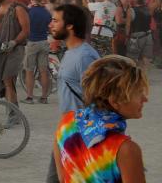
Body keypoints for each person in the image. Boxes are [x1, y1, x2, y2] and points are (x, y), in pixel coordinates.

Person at [53, 55, 147, 183]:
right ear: (115, 101)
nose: (145, 99)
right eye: (139, 93)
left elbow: (62, 177)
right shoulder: (126, 150)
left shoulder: (66, 122)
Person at [45, 2, 101, 182]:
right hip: (68, 130)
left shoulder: (85, 56)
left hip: (81, 134)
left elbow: (98, 98)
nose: (50, 24)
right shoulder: (71, 53)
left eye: (55, 21)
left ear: (69, 25)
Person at [23, 0, 53, 104]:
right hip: (44, 42)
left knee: (29, 71)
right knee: (43, 71)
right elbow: (49, 26)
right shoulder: (46, 12)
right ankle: (44, 97)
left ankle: (29, 97)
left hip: (32, 42)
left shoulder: (29, 11)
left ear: (32, 0)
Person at [126, 0, 152, 69]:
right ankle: (144, 76)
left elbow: (128, 25)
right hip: (148, 35)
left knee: (132, 58)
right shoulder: (149, 9)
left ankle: (134, 77)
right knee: (145, 58)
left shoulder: (131, 10)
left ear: (135, 0)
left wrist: (127, 37)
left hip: (137, 36)